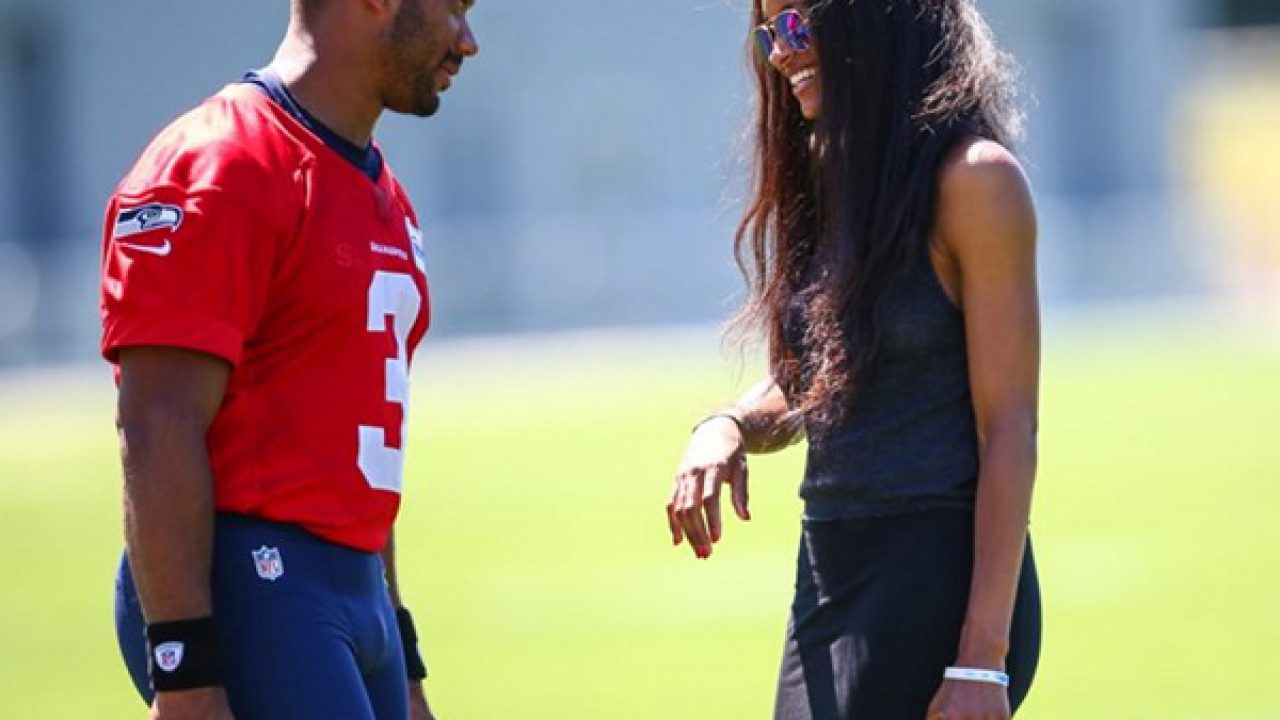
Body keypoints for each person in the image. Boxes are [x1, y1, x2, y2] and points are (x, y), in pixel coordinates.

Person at [101, 1, 477, 717]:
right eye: (455, 6)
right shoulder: (220, 161)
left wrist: (401, 651)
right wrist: (184, 667)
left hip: (354, 589)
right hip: (254, 582)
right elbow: (157, 420)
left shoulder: (383, 192)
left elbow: (353, 447)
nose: (469, 40)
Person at [665, 1, 1041, 718]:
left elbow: (1010, 429)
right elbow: (817, 381)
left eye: (798, 24)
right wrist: (728, 424)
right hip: (831, 570)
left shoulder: (975, 182)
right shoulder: (830, 171)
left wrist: (983, 662)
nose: (780, 50)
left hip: (935, 573)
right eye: (770, 32)